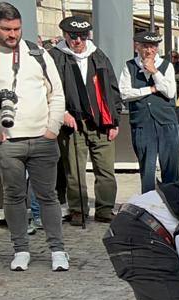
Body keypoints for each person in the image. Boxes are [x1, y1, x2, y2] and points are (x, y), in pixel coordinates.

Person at [0, 1, 68, 272]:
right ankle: (21, 249)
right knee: (13, 196)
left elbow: (56, 93)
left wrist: (52, 129)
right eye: (6, 29)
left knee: (48, 196)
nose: (13, 35)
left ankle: (58, 250)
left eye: (17, 29)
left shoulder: (38, 54)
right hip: (7, 141)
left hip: (43, 138)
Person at [49, 16, 121, 226]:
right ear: (65, 35)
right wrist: (62, 112)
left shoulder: (98, 55)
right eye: (73, 37)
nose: (78, 41)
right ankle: (78, 209)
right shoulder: (55, 57)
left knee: (106, 170)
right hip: (73, 123)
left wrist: (115, 121)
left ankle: (105, 209)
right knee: (74, 171)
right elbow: (48, 89)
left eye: (82, 36)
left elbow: (112, 89)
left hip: (101, 123)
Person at [119, 30, 178, 195]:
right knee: (147, 169)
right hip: (142, 122)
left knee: (170, 168)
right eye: (145, 46)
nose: (150, 50)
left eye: (153, 46)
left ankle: (172, 202)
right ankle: (148, 202)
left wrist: (155, 72)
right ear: (137, 47)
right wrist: (149, 90)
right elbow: (124, 93)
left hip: (166, 121)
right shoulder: (130, 66)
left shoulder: (166, 66)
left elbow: (170, 92)